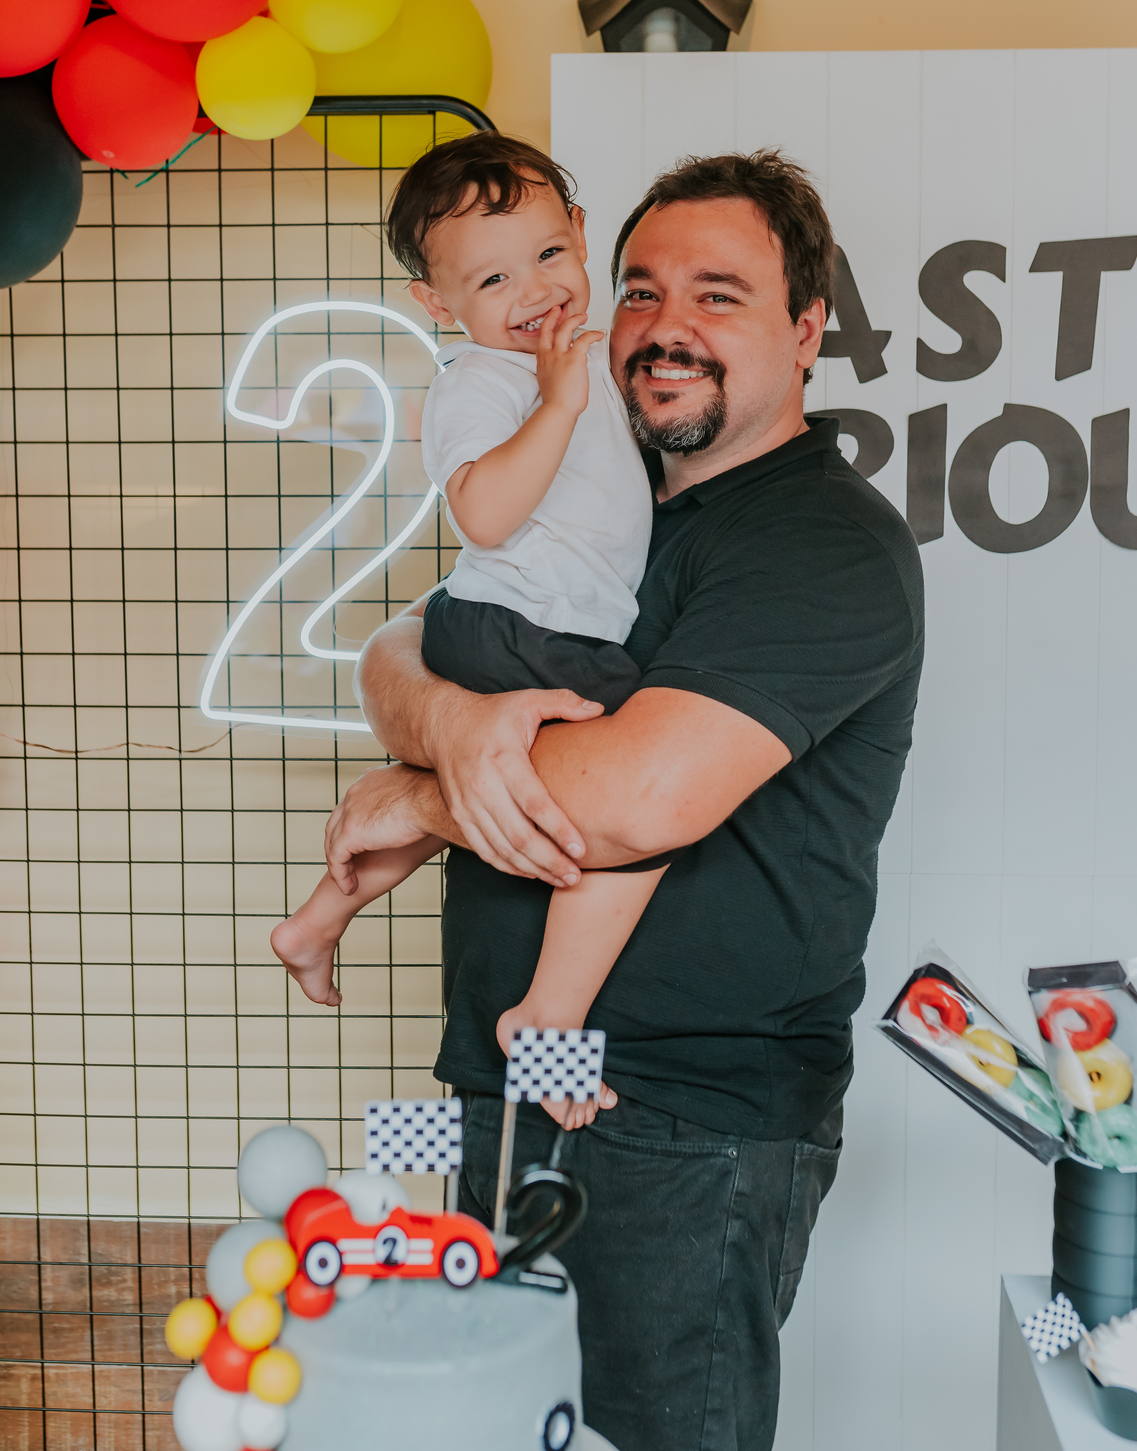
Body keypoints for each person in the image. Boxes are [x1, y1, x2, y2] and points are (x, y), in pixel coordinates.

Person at [326, 149, 925, 1451]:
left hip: (678, 1129)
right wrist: (452, 730)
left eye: (720, 294)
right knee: (490, 1425)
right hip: (516, 1082)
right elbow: (397, 654)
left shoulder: (820, 544)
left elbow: (633, 800)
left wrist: (422, 794)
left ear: (807, 326)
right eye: (642, 287)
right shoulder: (612, 507)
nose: (665, 325)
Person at [272, 134, 675, 1127]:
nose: (533, 290)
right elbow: (485, 514)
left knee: (486, 790)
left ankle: (323, 912)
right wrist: (557, 401)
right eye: (492, 279)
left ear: (582, 236)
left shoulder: (581, 361)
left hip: (540, 627)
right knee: (643, 817)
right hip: (519, 630)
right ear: (440, 305)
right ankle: (548, 1015)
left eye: (546, 254)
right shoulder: (484, 383)